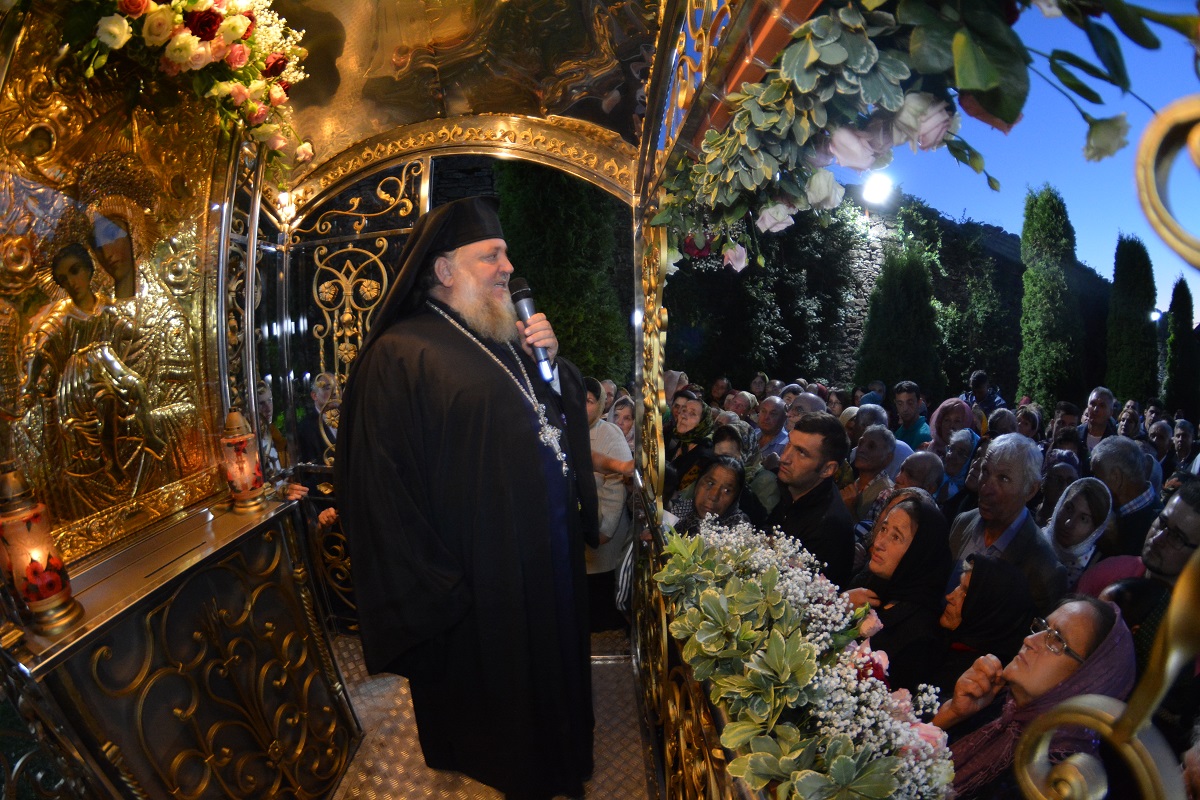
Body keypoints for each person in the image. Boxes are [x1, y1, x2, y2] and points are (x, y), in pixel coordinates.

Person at [334, 197, 597, 799]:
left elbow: (552, 414)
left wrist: (554, 364)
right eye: (492, 255)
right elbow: (379, 482)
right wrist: (436, 579)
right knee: (501, 709)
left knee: (550, 679)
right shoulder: (400, 353)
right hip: (480, 572)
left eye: (505, 253)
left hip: (547, 558)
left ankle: (559, 765)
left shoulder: (505, 336)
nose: (508, 266)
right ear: (445, 269)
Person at [932, 596, 1135, 799]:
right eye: (1042, 627)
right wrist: (952, 713)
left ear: (1087, 680)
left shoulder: (1061, 782)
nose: (1029, 640)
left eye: (1056, 639)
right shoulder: (999, 704)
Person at [948, 434, 1067, 615]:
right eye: (985, 471)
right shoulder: (963, 522)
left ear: (1031, 490)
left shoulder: (1045, 569)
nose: (986, 488)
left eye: (1003, 478)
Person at [847, 494, 952, 693]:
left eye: (896, 537)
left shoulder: (921, 637)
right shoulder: (868, 581)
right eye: (884, 529)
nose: (879, 543)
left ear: (920, 553)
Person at [766, 412, 855, 587]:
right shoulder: (793, 486)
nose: (784, 458)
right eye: (789, 444)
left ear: (827, 469)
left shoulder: (829, 527)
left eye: (801, 453)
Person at [931, 554, 1035, 697]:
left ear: (992, 613)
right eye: (958, 586)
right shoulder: (943, 640)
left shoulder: (979, 681)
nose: (950, 597)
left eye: (966, 594)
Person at [585, 377, 633, 632]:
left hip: (603, 538)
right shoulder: (565, 429)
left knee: (600, 606)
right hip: (578, 540)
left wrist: (604, 531)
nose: (582, 406)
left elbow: (616, 488)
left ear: (601, 405)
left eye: (589, 401)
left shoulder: (609, 433)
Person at [1090, 435, 1163, 558]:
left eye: (1096, 475)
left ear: (1116, 477)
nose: (1093, 483)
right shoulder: (1118, 512)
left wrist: (1112, 546)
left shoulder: (1157, 531)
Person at [1042, 477, 1113, 590]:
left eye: (1083, 519)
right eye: (1068, 508)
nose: (1069, 523)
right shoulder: (1033, 539)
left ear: (1096, 530)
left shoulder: (1095, 570)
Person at [676, 456, 751, 535]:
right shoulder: (683, 510)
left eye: (727, 491)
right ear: (697, 482)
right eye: (710, 483)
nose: (713, 496)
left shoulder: (738, 533)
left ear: (735, 497)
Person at [841, 424, 895, 524]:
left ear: (888, 458)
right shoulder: (855, 482)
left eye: (871, 446)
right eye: (860, 443)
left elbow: (870, 538)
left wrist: (850, 509)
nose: (861, 449)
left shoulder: (886, 494)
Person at [1078, 386, 1118, 455]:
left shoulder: (1116, 444)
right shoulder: (1075, 435)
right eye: (1093, 404)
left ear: (1111, 412)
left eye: (1102, 406)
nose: (1095, 409)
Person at [893, 380, 931, 450]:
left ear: (919, 403)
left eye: (910, 403)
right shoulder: (900, 431)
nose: (905, 408)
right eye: (900, 403)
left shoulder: (924, 435)